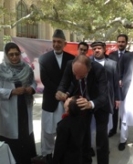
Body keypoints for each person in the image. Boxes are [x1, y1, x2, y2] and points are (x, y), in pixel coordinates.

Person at [56, 55, 110, 164]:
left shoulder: (99, 69)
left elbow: (104, 96)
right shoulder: (70, 64)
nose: (76, 78)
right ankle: (86, 160)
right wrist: (60, 91)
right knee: (83, 136)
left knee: (101, 139)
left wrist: (91, 104)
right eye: (75, 74)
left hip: (98, 103)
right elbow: (64, 82)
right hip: (81, 104)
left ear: (89, 70)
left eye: (80, 75)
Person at [39, 29, 75, 163]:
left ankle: (61, 154)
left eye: (59, 42)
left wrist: (66, 94)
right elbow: (45, 80)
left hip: (65, 100)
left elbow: (73, 80)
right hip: (51, 100)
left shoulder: (71, 59)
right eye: (54, 41)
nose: (56, 44)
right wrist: (59, 92)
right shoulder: (44, 59)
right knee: (47, 131)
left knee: (64, 130)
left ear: (64, 43)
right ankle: (47, 153)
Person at [0, 42, 37, 164]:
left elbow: (33, 83)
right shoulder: (1, 70)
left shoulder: (26, 68)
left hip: (24, 107)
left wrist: (31, 89)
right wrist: (11, 91)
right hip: (9, 109)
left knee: (24, 135)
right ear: (6, 55)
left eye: (16, 54)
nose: (14, 57)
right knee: (12, 138)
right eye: (11, 55)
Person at [90, 41, 120, 156]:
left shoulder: (112, 64)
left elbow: (116, 83)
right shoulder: (88, 63)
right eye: (94, 49)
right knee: (90, 127)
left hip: (106, 101)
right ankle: (89, 148)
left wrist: (117, 98)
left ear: (104, 49)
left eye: (99, 48)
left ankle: (102, 149)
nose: (96, 50)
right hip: (91, 101)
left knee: (103, 128)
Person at [52, 97, 87, 164]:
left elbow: (59, 146)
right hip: (78, 157)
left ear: (68, 108)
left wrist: (55, 160)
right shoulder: (82, 121)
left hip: (66, 159)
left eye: (69, 99)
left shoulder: (63, 125)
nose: (67, 98)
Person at [108, 34, 129, 137]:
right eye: (119, 41)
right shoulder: (111, 55)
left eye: (123, 42)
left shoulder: (130, 55)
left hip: (126, 88)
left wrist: (124, 80)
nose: (120, 43)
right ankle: (113, 129)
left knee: (124, 110)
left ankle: (123, 129)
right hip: (114, 87)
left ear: (126, 43)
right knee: (114, 109)